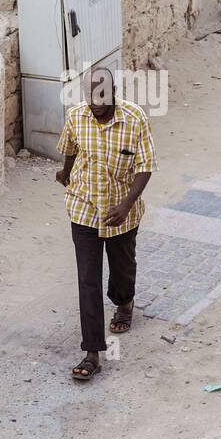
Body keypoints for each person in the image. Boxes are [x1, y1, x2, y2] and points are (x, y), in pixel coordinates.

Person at [55, 66, 156, 381]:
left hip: (120, 210)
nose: (96, 102)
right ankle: (92, 353)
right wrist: (66, 172)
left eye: (102, 94)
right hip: (83, 207)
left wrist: (126, 205)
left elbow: (146, 165)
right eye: (91, 95)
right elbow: (70, 148)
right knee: (88, 280)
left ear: (113, 92)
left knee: (122, 269)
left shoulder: (134, 119)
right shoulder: (76, 117)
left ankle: (124, 304)